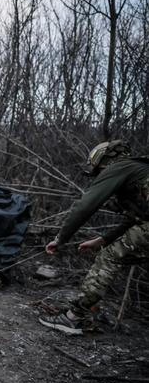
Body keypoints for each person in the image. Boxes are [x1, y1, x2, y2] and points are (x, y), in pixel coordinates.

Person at [40, 140, 149, 335]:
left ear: (105, 161)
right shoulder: (138, 170)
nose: (99, 175)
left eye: (99, 171)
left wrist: (61, 238)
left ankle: (73, 318)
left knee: (109, 257)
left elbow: (85, 205)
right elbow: (137, 218)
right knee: (112, 252)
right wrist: (104, 239)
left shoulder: (121, 167)